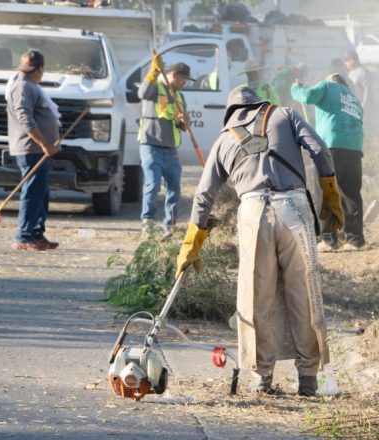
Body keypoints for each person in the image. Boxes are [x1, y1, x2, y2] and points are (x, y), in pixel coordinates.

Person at [174, 87, 344, 397]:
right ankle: (308, 377)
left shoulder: (224, 139)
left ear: (231, 112)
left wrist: (192, 241)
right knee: (304, 293)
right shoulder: (286, 114)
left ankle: (261, 378)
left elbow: (203, 195)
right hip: (295, 209)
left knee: (254, 298)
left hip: (252, 212)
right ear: (259, 103)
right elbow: (320, 150)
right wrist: (330, 195)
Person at [291, 74, 365, 251]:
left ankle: (328, 240)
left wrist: (296, 88)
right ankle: (355, 240)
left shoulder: (327, 86)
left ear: (332, 80)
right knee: (351, 193)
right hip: (354, 148)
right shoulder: (353, 98)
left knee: (325, 190)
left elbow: (307, 96)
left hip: (331, 146)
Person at [5, 50, 60, 251]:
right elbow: (25, 119)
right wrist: (45, 143)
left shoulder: (32, 86)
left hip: (41, 149)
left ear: (40, 69)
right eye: (28, 70)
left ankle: (36, 233)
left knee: (41, 192)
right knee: (32, 191)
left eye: (32, 70)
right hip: (32, 148)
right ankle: (24, 235)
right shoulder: (23, 86)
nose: (31, 73)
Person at [138, 54, 193, 236]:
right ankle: (148, 223)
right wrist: (153, 72)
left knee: (174, 189)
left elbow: (182, 126)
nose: (185, 82)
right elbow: (143, 93)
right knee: (153, 185)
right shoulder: (156, 89)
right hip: (151, 145)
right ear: (175, 75)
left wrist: (185, 121)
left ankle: (169, 227)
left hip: (171, 150)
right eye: (184, 78)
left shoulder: (179, 96)